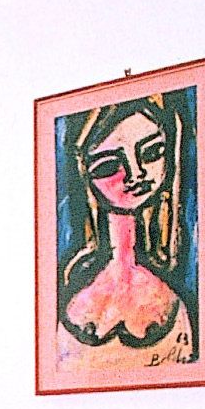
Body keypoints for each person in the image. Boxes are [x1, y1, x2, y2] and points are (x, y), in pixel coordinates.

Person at [56, 93, 197, 373]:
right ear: (83, 175)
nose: (136, 174)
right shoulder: (75, 297)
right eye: (108, 166)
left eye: (152, 152)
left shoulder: (173, 299)